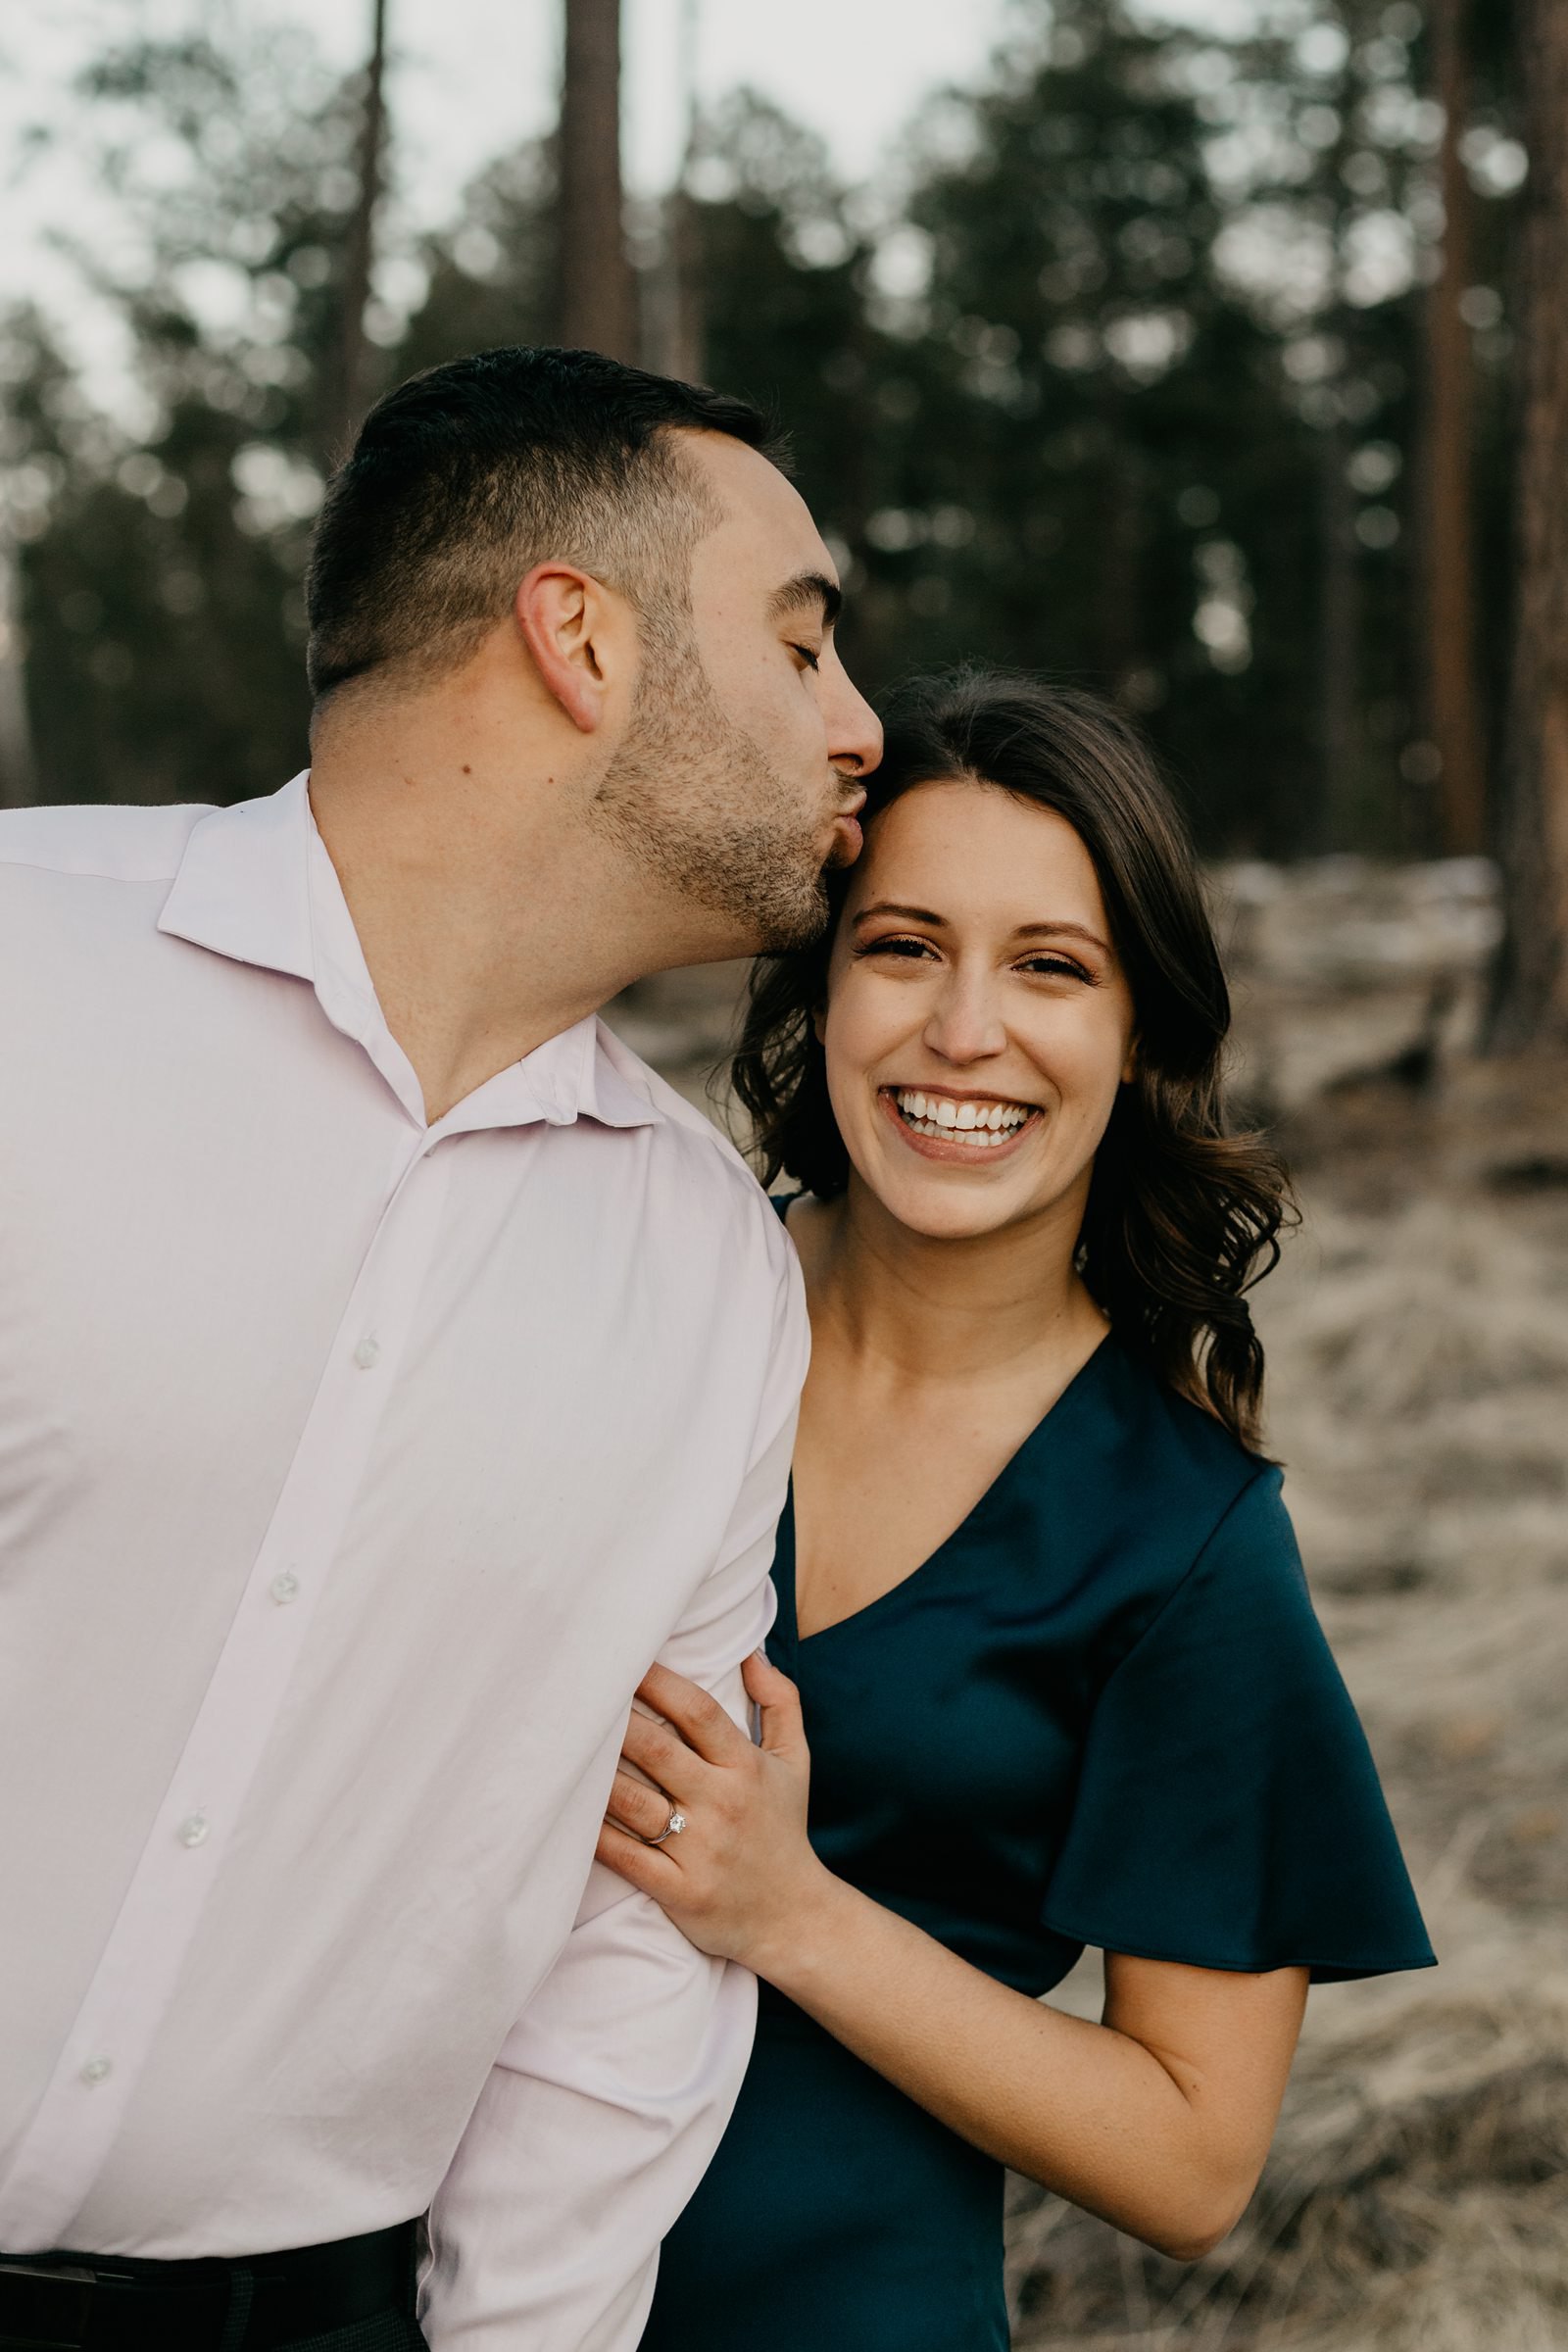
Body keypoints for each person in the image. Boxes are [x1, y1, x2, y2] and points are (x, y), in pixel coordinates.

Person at [0, 345, 881, 2352]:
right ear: (576, 633)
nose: (860, 730)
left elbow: (622, 1933)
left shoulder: (705, 1269)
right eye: (801, 640)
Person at [598, 671, 1436, 2352]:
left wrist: (796, 1917)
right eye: (904, 944)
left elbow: (1197, 2160)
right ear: (820, 987)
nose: (965, 1030)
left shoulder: (1176, 1536)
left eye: (1051, 967)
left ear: (1138, 1044)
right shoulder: (628, 1301)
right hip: (392, 2291)